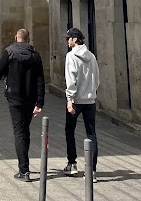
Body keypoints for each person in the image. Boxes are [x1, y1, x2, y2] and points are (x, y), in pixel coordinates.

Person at [0, 28, 45, 182]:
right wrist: (40, 102)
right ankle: (24, 166)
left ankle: (24, 170)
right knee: (24, 130)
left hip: (14, 97)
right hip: (30, 98)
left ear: (16, 38)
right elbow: (41, 80)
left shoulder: (10, 52)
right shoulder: (35, 56)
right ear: (28, 39)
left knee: (19, 132)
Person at [63, 27, 100, 182]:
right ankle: (91, 171)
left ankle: (72, 163)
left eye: (69, 38)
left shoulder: (71, 56)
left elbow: (71, 79)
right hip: (90, 100)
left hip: (76, 101)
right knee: (91, 133)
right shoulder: (91, 56)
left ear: (75, 39)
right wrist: (91, 92)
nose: (67, 40)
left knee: (69, 130)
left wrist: (70, 99)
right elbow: (97, 78)